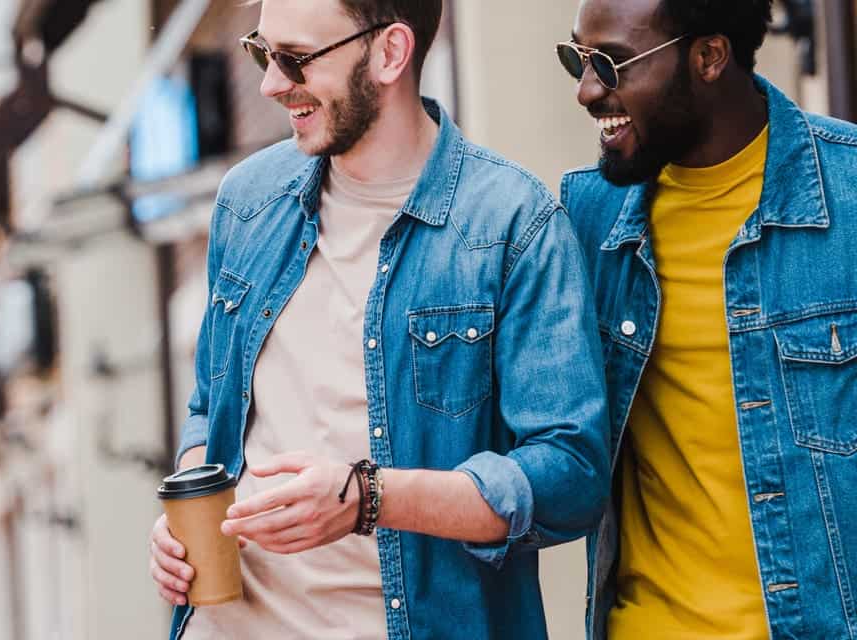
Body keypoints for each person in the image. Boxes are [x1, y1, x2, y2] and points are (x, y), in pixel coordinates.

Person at [148, 1, 611, 638]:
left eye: (296, 59)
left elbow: (570, 476)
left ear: (390, 52)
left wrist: (369, 498)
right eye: (263, 51)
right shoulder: (246, 202)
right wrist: (187, 517)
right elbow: (211, 407)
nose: (271, 83)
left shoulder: (512, 224)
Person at [557, 1, 857, 638]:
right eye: (578, 60)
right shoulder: (586, 218)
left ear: (709, 57)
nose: (587, 91)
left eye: (609, 63)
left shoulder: (849, 197)